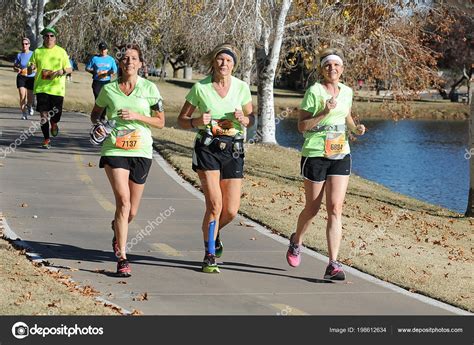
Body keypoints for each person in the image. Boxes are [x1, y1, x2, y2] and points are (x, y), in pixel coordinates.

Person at [285, 48, 366, 281]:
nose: (332, 69)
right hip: (315, 154)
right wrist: (323, 111)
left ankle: (333, 264)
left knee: (335, 208)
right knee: (313, 208)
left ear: (342, 69)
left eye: (336, 65)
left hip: (341, 154)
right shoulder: (314, 92)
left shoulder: (347, 91)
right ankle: (296, 241)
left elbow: (347, 116)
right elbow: (301, 127)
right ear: (322, 69)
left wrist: (355, 129)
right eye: (328, 65)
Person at [177, 43, 254, 273]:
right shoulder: (200, 88)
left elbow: (251, 118)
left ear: (234, 65)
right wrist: (196, 122)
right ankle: (209, 254)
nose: (224, 64)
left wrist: (244, 119)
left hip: (233, 150)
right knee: (215, 205)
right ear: (214, 61)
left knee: (230, 210)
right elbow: (181, 119)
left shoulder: (241, 88)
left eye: (229, 61)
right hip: (207, 149)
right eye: (220, 60)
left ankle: (214, 233)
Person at [90, 43, 165, 277]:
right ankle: (122, 257)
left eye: (134, 58)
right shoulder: (109, 89)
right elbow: (95, 114)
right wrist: (100, 127)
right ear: (120, 64)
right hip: (115, 149)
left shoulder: (150, 88)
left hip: (141, 151)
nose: (129, 62)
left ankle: (117, 228)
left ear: (141, 64)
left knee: (131, 211)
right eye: (125, 58)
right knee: (123, 202)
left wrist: (137, 116)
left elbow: (161, 121)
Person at [28, 27, 72, 149]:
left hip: (57, 89)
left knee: (56, 115)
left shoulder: (61, 52)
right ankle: (46, 139)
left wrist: (61, 71)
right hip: (41, 88)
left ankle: (54, 123)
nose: (49, 38)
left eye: (51, 36)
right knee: (43, 115)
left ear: (55, 38)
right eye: (46, 36)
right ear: (43, 38)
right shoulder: (37, 52)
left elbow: (69, 69)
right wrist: (31, 67)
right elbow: (30, 68)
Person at [13, 37, 35, 120]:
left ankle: (29, 106)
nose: (24, 45)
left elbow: (36, 65)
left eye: (26, 44)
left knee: (30, 97)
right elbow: (14, 66)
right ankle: (24, 114)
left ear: (29, 45)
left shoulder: (33, 54)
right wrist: (17, 69)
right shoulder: (19, 55)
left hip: (31, 77)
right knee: (22, 96)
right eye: (23, 44)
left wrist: (33, 69)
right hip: (21, 77)